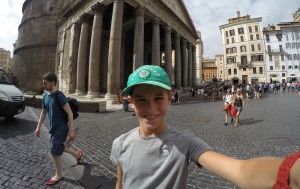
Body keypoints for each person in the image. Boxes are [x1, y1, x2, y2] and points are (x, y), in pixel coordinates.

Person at [110, 65, 300, 189]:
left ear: (169, 99)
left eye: (158, 98)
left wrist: (290, 171)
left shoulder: (185, 143)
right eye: (141, 99)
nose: (150, 107)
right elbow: (120, 183)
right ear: (131, 102)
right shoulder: (120, 144)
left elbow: (241, 170)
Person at [35, 72, 83, 186]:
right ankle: (76, 154)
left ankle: (59, 174)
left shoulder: (59, 95)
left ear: (53, 83)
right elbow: (43, 112)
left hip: (61, 128)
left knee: (54, 149)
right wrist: (38, 127)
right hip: (53, 128)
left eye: (45, 83)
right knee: (58, 146)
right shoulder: (45, 96)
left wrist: (71, 130)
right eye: (43, 83)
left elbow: (70, 113)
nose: (44, 86)